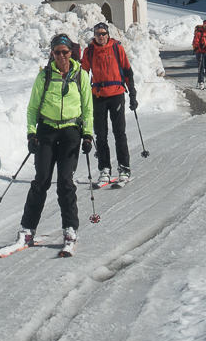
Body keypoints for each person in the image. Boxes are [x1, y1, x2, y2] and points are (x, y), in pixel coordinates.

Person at [16, 33, 93, 251]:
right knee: (41, 179)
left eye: (65, 52)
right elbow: (32, 108)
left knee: (65, 181)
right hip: (47, 131)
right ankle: (27, 229)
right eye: (57, 52)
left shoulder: (81, 76)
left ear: (71, 53)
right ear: (52, 53)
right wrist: (32, 134)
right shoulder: (44, 76)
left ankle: (70, 228)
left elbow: (87, 108)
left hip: (71, 131)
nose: (61, 56)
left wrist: (87, 134)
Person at [81, 22, 136, 183]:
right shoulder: (89, 51)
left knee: (119, 133)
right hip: (97, 95)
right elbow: (83, 75)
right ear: (94, 35)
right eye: (98, 33)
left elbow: (127, 70)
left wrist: (132, 93)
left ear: (108, 34)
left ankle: (124, 167)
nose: (101, 36)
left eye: (104, 33)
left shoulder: (117, 48)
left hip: (116, 94)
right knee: (100, 135)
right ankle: (104, 168)